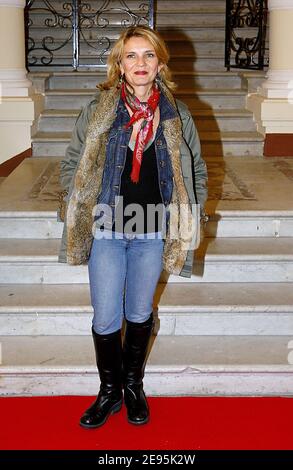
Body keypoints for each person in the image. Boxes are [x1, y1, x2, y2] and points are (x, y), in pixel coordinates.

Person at [57, 25, 208, 429]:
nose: (140, 64)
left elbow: (196, 168)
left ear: (160, 63)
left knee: (140, 313)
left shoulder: (177, 113)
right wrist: (75, 204)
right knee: (106, 317)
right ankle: (108, 393)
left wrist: (190, 213)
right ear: (119, 65)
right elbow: (71, 162)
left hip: (152, 229)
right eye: (131, 56)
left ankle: (131, 386)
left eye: (148, 55)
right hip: (107, 226)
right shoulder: (98, 109)